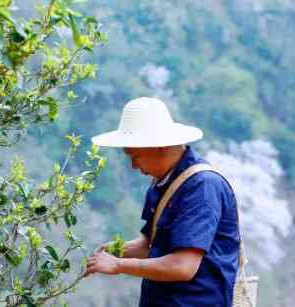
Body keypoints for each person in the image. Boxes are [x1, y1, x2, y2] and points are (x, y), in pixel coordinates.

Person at [85, 97, 240, 307]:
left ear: (161, 146)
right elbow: (151, 245)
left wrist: (119, 264)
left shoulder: (202, 187)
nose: (133, 165)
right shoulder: (164, 182)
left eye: (135, 155)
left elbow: (183, 266)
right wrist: (116, 249)